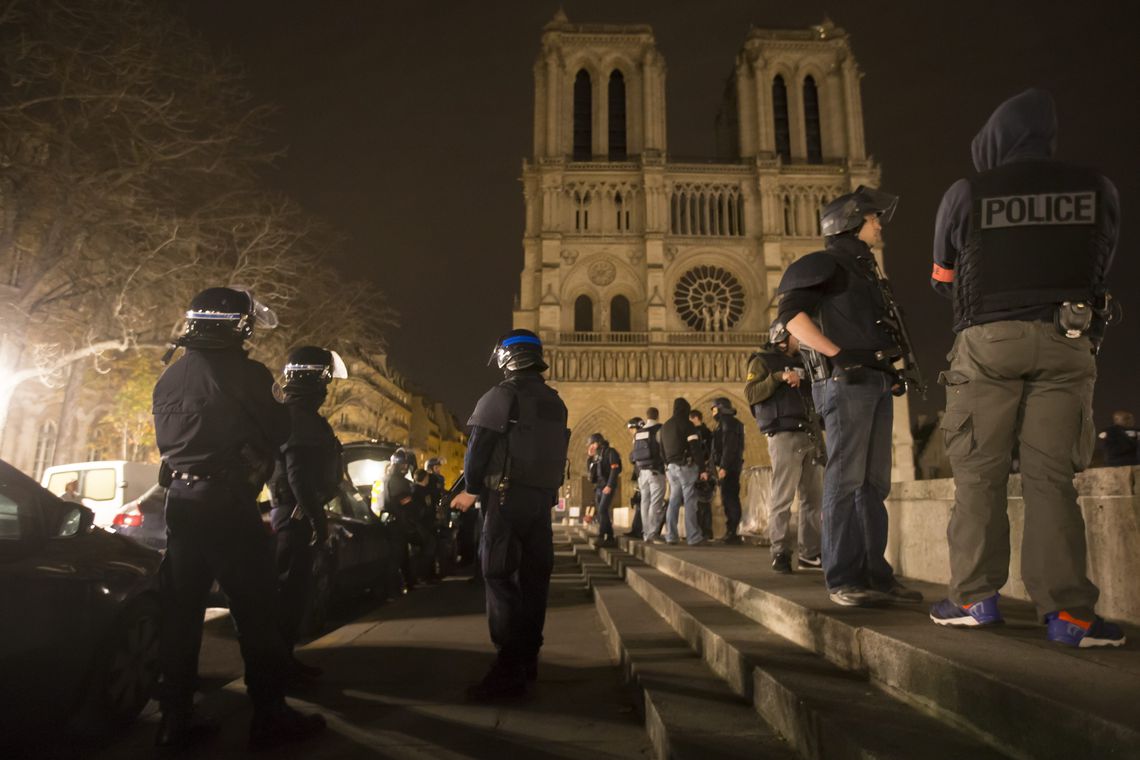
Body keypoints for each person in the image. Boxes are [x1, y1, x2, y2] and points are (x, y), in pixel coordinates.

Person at [926, 89, 1125, 647]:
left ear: (994, 141)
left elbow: (942, 276)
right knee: (1052, 481)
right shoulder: (1097, 187)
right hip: (1068, 339)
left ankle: (973, 598)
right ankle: (1069, 616)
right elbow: (1100, 263)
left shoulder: (968, 191)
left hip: (989, 343)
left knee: (978, 477)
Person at [152, 287, 325, 749]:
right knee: (256, 611)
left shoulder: (169, 377)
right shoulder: (248, 374)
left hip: (181, 504)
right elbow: (279, 428)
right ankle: (270, 714)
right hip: (227, 503)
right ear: (238, 326)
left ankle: (175, 719)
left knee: (182, 613)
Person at [776, 187, 922, 607]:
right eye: (874, 218)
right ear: (851, 221)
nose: (879, 225)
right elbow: (790, 317)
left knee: (873, 484)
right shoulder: (826, 263)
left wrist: (889, 371)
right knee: (845, 479)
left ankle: (875, 573)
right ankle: (842, 578)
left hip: (874, 382)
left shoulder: (865, 271)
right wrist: (837, 355)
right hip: (845, 384)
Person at [451, 329, 569, 700]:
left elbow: (478, 449)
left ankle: (507, 667)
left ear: (507, 358)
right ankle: (527, 658)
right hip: (541, 502)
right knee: (535, 580)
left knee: (498, 574)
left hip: (505, 498)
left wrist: (470, 490)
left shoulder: (502, 394)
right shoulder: (555, 401)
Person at [267, 345, 347, 682]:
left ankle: (282, 661)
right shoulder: (299, 417)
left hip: (293, 512)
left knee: (292, 592)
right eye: (326, 381)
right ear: (317, 379)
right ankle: (277, 666)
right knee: (289, 594)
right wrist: (317, 518)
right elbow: (297, 473)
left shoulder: (293, 413)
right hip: (295, 515)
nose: (328, 390)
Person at [744, 321, 824, 573]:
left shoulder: (807, 360)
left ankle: (810, 554)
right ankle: (779, 551)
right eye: (797, 334)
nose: (802, 338)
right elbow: (751, 393)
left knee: (814, 498)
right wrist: (778, 377)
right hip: (784, 435)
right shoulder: (762, 361)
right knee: (783, 496)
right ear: (782, 336)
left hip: (811, 432)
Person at [660, 398, 709, 546]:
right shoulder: (688, 425)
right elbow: (695, 448)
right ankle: (693, 536)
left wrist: (668, 464)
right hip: (685, 467)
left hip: (670, 468)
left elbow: (661, 450)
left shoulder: (665, 426)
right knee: (690, 501)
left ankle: (671, 536)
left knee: (673, 501)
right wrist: (702, 468)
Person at [709, 398, 745, 545]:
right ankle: (731, 531)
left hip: (729, 467)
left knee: (730, 498)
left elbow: (729, 447)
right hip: (731, 466)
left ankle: (732, 532)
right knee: (729, 497)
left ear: (720, 408)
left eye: (714, 409)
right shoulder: (728, 423)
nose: (712, 412)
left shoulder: (727, 423)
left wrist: (723, 466)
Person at [384, 447, 419, 592]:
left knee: (402, 554)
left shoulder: (392, 479)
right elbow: (403, 502)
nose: (405, 467)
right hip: (398, 522)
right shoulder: (397, 481)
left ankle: (408, 582)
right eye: (403, 465)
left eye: (406, 465)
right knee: (398, 556)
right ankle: (393, 588)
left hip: (398, 522)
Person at [586, 432, 621, 547]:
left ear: (597, 443)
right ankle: (610, 537)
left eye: (592, 444)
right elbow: (591, 474)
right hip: (599, 487)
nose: (591, 446)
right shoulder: (595, 456)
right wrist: (590, 458)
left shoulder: (611, 452)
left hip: (607, 486)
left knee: (602, 510)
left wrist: (610, 485)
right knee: (602, 512)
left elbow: (615, 469)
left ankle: (601, 536)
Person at [688, 409, 716, 539]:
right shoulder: (708, 432)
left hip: (701, 469)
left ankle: (704, 531)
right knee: (703, 501)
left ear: (695, 418)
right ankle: (704, 531)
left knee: (701, 501)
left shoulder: (700, 432)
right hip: (705, 468)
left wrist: (703, 469)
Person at [623, 417, 645, 538]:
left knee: (642, 503)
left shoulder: (641, 437)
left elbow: (634, 457)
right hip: (638, 474)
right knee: (638, 503)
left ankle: (640, 530)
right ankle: (636, 529)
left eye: (631, 428)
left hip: (643, 474)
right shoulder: (636, 439)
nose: (630, 431)